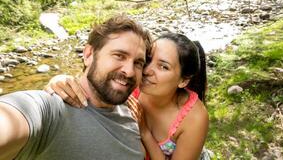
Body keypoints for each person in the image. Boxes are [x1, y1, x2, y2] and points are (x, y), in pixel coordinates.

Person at [0, 15, 152, 160]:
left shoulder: (132, 109)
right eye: (119, 55)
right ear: (88, 55)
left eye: (138, 63)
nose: (130, 71)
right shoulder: (51, 109)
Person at [46, 33, 209, 160]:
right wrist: (61, 80)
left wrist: (144, 131)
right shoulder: (134, 83)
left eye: (163, 66)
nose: (146, 71)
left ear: (183, 80)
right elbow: (95, 83)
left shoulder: (194, 119)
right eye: (149, 59)